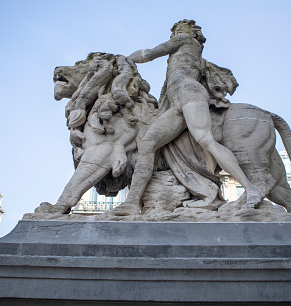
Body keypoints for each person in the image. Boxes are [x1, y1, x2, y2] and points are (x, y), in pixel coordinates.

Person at [112, 19, 264, 215]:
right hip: (177, 102)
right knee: (147, 143)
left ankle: (251, 189)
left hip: (188, 93)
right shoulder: (198, 57)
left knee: (205, 140)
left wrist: (123, 60)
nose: (174, 33)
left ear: (188, 31)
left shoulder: (185, 40)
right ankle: (133, 201)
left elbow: (148, 54)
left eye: (177, 29)